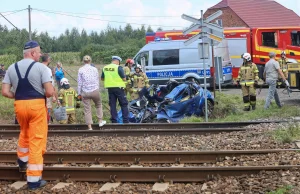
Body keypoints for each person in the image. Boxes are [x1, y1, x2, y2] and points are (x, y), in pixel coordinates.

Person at [1, 40, 54, 190]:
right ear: (32, 53)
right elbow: (49, 92)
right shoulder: (41, 68)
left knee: (25, 131)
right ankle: (33, 180)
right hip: (36, 106)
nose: (40, 55)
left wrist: (18, 95)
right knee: (37, 140)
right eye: (38, 53)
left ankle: (23, 160)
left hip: (20, 105)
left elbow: (5, 91)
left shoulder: (12, 67)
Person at [78, 55, 106, 130]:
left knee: (87, 109)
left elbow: (80, 83)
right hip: (94, 90)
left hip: (85, 92)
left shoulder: (80, 70)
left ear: (83, 61)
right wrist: (97, 89)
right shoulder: (94, 69)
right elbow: (97, 80)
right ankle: (100, 121)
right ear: (90, 61)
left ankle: (89, 127)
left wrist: (79, 93)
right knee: (98, 105)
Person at [101, 56, 129, 123]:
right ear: (117, 61)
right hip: (119, 88)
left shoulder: (105, 68)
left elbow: (102, 79)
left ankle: (114, 120)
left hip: (110, 88)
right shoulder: (118, 67)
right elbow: (124, 79)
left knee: (112, 104)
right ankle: (125, 121)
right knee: (124, 104)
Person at [41, 54, 57, 124]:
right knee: (48, 107)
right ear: (48, 60)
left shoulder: (37, 67)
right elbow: (50, 83)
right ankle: (47, 121)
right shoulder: (47, 69)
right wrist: (53, 95)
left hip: (37, 93)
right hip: (45, 92)